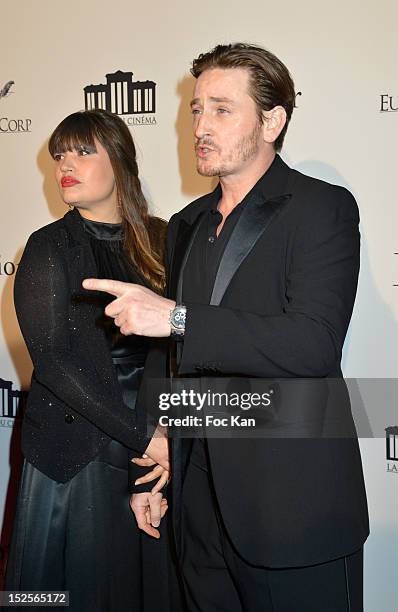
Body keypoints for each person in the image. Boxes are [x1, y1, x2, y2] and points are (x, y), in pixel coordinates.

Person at [84, 44, 369, 611]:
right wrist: (158, 452)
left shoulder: (321, 208)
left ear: (272, 120)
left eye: (221, 109)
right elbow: (175, 359)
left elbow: (312, 344)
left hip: (292, 513)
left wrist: (178, 318)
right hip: (198, 512)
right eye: (195, 110)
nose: (200, 127)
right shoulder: (186, 223)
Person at [5, 109, 183, 612]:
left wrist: (160, 436)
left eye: (84, 151)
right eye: (60, 153)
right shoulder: (47, 246)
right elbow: (57, 366)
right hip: (75, 453)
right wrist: (146, 437)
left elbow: (180, 349)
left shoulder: (164, 238)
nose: (67, 163)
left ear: (120, 162)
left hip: (149, 450)